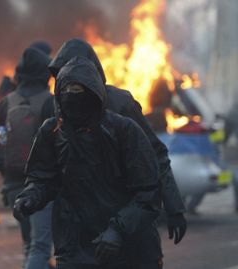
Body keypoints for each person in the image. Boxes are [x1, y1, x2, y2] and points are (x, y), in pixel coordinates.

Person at [14, 57, 162, 269]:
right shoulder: (52, 132)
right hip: (76, 246)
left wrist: (118, 230)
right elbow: (42, 177)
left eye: (79, 91)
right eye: (67, 91)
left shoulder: (124, 131)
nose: (73, 99)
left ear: (95, 94)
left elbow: (148, 193)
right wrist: (30, 197)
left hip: (128, 249)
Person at [47, 38, 187, 245]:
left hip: (125, 213)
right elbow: (46, 164)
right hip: (78, 227)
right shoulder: (55, 108)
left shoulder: (120, 103)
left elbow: (155, 153)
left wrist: (174, 207)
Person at [0, 47, 54, 269]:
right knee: (41, 248)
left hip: (14, 187)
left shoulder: (5, 103)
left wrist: (6, 170)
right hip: (43, 186)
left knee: (30, 246)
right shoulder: (50, 102)